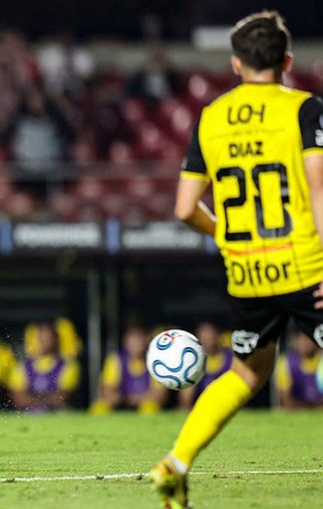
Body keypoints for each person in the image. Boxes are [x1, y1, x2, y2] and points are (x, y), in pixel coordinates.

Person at [150, 12, 323, 508]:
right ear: (286, 62)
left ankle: (176, 463)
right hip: (306, 264)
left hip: (247, 270)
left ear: (235, 64)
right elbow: (317, 192)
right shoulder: (305, 109)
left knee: (246, 372)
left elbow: (184, 208)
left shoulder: (211, 116)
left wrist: (224, 235)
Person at [90, 325, 165, 415]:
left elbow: (159, 395)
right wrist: (125, 399)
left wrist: (137, 399)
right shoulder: (115, 360)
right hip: (120, 404)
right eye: (132, 342)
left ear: (145, 343)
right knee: (99, 408)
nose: (135, 346)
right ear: (125, 343)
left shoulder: (155, 363)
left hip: (144, 404)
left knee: (149, 408)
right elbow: (107, 392)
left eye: (138, 342)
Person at [10, 322, 79, 412]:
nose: (44, 342)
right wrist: (45, 400)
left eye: (48, 339)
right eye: (41, 338)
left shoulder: (67, 366)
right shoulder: (23, 367)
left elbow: (62, 397)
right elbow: (18, 399)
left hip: (56, 415)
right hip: (29, 415)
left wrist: (32, 400)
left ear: (56, 340)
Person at [178, 322, 232, 410]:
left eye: (210, 337)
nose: (207, 341)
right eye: (204, 338)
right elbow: (185, 400)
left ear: (217, 336)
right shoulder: (192, 362)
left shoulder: (231, 359)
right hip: (201, 409)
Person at [275, 330, 323, 409]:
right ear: (295, 341)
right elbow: (285, 399)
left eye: (308, 339)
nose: (305, 344)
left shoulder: (321, 362)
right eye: (301, 339)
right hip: (295, 410)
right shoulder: (286, 363)